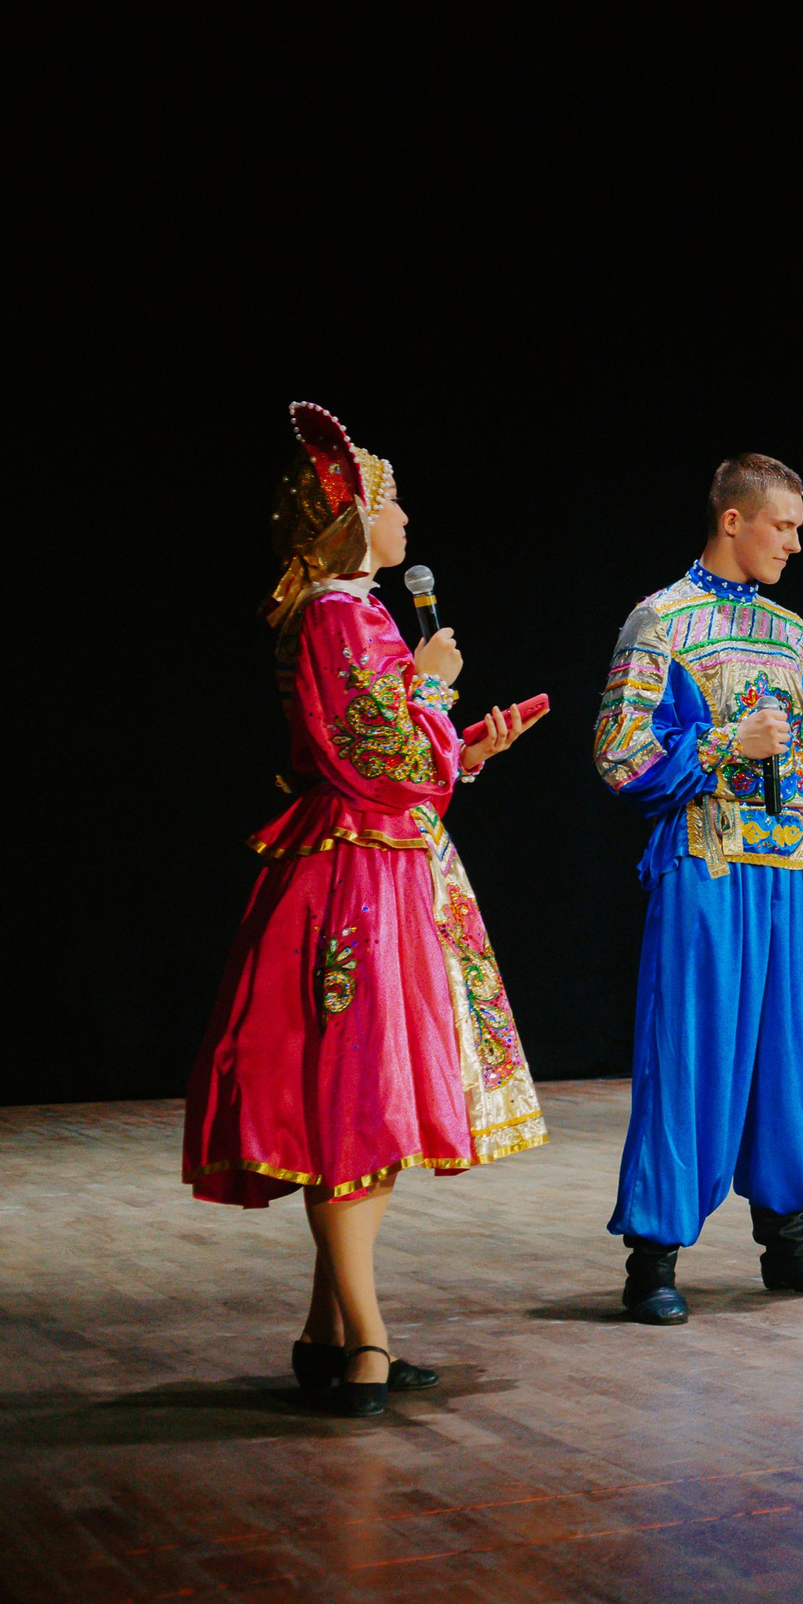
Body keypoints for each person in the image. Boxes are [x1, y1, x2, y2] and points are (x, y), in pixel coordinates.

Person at [184, 402, 549, 1418]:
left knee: (359, 1100)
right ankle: (368, 1345)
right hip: (358, 878)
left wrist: (463, 746)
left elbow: (394, 755)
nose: (404, 522)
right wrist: (432, 695)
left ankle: (328, 1331)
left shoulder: (350, 615)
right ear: (353, 523)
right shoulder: (343, 614)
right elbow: (376, 753)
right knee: (361, 1102)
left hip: (374, 860)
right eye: (390, 505)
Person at [593, 453, 803, 1324]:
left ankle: (789, 1237)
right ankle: (652, 1258)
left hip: (788, 872)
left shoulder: (789, 629)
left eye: (799, 528)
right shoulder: (661, 620)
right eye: (783, 526)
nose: (795, 544)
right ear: (734, 520)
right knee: (691, 1055)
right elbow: (621, 755)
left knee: (788, 1061)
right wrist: (730, 742)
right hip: (707, 867)